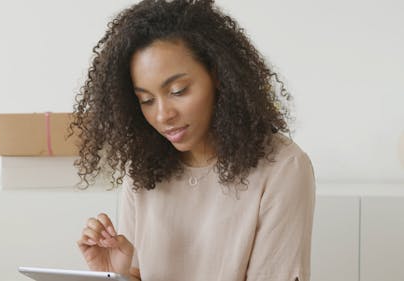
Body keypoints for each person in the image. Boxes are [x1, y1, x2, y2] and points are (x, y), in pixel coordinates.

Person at [72, 1, 315, 280]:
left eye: (178, 90)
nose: (163, 115)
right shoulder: (143, 171)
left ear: (218, 75)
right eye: (146, 100)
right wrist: (115, 276)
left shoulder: (282, 168)